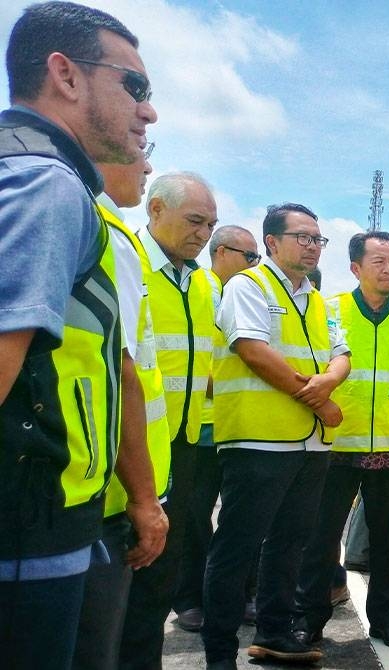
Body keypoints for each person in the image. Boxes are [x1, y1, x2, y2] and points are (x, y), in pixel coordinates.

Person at [0, 3, 161, 667]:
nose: (148, 113)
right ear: (64, 75)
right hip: (28, 534)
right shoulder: (48, 185)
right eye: (136, 87)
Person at [202, 203, 350, 669]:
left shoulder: (316, 300)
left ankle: (275, 633)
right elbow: (252, 351)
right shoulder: (248, 286)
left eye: (317, 239)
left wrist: (331, 379)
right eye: (303, 237)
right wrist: (320, 398)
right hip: (257, 442)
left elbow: (341, 353)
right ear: (272, 242)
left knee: (290, 543)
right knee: (236, 548)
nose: (312, 246)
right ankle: (220, 652)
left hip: (308, 445)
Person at [294, 231, 389, 650]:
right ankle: (308, 617)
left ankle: (387, 620)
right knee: (321, 536)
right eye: (378, 262)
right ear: (355, 268)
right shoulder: (327, 311)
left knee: (387, 538)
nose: (388, 269)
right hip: (335, 446)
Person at [71, 141, 172, 670]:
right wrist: (144, 498)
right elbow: (123, 372)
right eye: (138, 150)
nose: (149, 165)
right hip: (108, 494)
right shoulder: (108, 236)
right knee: (103, 646)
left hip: (118, 484)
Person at [119, 171, 218, 668]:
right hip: (126, 450)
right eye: (195, 221)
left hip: (183, 449)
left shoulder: (202, 283)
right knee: (121, 584)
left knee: (159, 581)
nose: (203, 234)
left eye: (210, 225)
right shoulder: (126, 263)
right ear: (155, 210)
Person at [173, 225, 261, 633]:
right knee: (193, 517)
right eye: (250, 257)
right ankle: (191, 598)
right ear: (222, 252)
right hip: (203, 428)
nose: (254, 265)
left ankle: (238, 594)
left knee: (242, 519)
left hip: (240, 425)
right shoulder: (202, 289)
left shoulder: (246, 294)